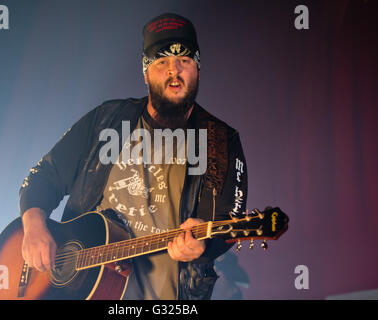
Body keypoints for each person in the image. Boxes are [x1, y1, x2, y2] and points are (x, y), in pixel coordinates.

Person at [19, 13, 248, 300]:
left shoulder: (220, 140)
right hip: (80, 291)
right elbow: (44, 176)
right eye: (161, 62)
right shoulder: (107, 120)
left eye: (184, 61)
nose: (173, 72)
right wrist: (34, 226)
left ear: (198, 69)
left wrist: (205, 246)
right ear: (145, 72)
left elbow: (230, 220)